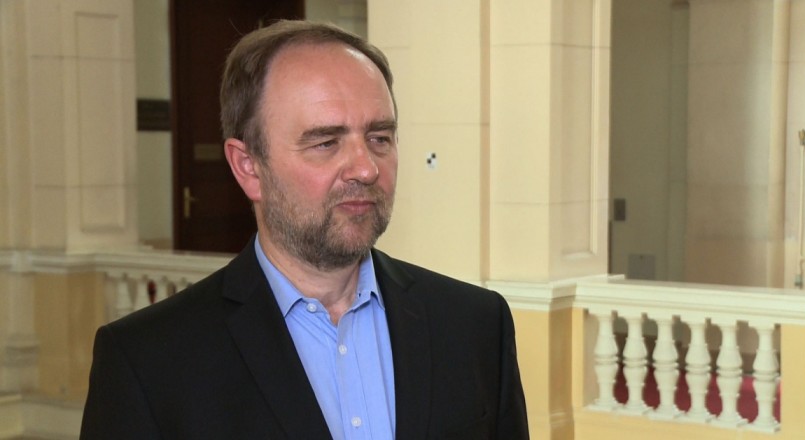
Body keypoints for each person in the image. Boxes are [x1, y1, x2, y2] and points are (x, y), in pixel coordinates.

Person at [80, 20, 528, 440]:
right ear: (248, 167)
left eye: (379, 138)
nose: (366, 168)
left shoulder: (475, 325)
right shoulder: (147, 361)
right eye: (326, 142)